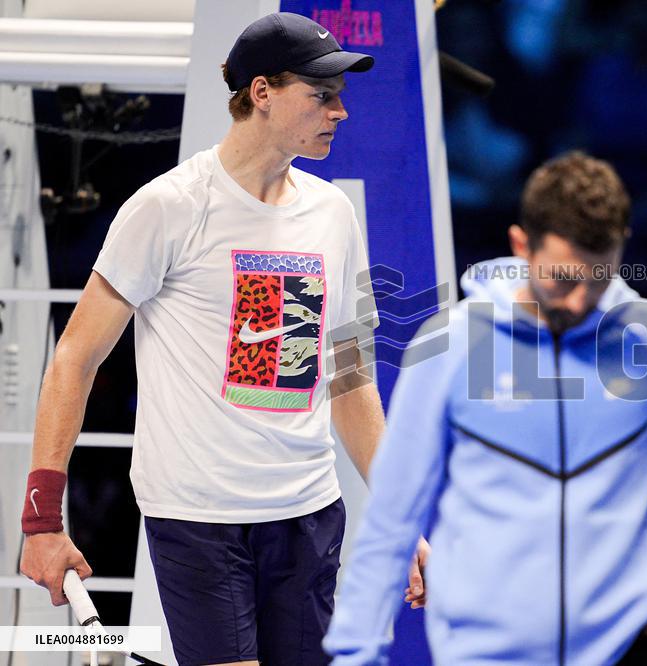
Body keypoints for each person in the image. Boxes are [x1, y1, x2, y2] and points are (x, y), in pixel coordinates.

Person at [18, 12, 426, 666]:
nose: (340, 111)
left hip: (309, 514)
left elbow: (350, 378)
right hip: (199, 519)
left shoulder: (333, 215)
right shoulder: (169, 207)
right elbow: (75, 356)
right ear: (260, 93)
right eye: (322, 95)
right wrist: (41, 520)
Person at [325, 151, 647, 665]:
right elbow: (393, 515)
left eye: (598, 278)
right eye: (561, 277)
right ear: (520, 246)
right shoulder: (452, 345)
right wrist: (357, 653)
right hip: (484, 652)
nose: (578, 301)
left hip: (624, 647)